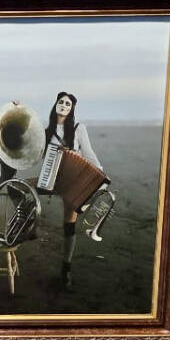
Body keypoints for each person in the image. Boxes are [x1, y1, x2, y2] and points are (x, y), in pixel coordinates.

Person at [42, 90, 105, 290]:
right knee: (24, 189)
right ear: (55, 104)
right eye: (62, 102)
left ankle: (66, 268)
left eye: (68, 104)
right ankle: (30, 231)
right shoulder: (46, 132)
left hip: (73, 181)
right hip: (53, 180)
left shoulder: (78, 129)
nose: (64, 106)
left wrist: (101, 176)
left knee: (68, 226)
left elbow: (89, 153)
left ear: (72, 109)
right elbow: (36, 155)